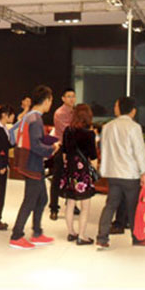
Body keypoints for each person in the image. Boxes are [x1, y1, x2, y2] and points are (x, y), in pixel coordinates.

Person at [96, 96, 145, 248]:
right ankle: (137, 238)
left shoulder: (107, 127)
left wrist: (104, 170)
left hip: (113, 173)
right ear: (133, 111)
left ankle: (102, 238)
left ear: (118, 109)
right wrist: (144, 172)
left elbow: (104, 150)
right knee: (133, 207)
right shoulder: (134, 127)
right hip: (130, 174)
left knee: (110, 205)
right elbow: (139, 152)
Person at [10, 85, 60, 249]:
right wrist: (52, 148)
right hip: (32, 164)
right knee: (30, 201)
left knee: (42, 198)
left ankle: (37, 232)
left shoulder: (28, 116)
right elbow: (37, 146)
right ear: (46, 101)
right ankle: (16, 235)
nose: (50, 104)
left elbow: (25, 138)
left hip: (28, 162)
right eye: (51, 101)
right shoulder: (36, 119)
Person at [59, 104, 98, 245]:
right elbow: (93, 158)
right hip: (82, 173)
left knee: (70, 203)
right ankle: (82, 236)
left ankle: (71, 232)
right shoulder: (89, 134)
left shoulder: (67, 131)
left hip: (69, 171)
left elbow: (64, 153)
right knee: (85, 206)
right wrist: (94, 172)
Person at [49, 88, 78, 220]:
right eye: (69, 96)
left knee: (73, 177)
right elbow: (68, 131)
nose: (72, 99)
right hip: (61, 148)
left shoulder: (76, 112)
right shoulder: (59, 113)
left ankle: (71, 203)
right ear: (63, 98)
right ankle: (54, 208)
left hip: (74, 148)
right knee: (57, 178)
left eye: (73, 96)